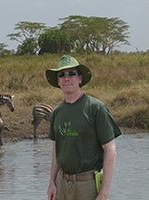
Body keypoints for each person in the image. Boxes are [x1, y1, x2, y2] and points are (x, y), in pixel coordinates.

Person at [45, 55, 121, 200]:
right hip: (62, 183)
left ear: (80, 78)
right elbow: (56, 151)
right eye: (62, 75)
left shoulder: (96, 108)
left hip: (88, 184)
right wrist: (51, 183)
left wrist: (104, 192)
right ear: (58, 81)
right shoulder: (57, 112)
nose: (67, 78)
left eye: (71, 73)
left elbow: (110, 150)